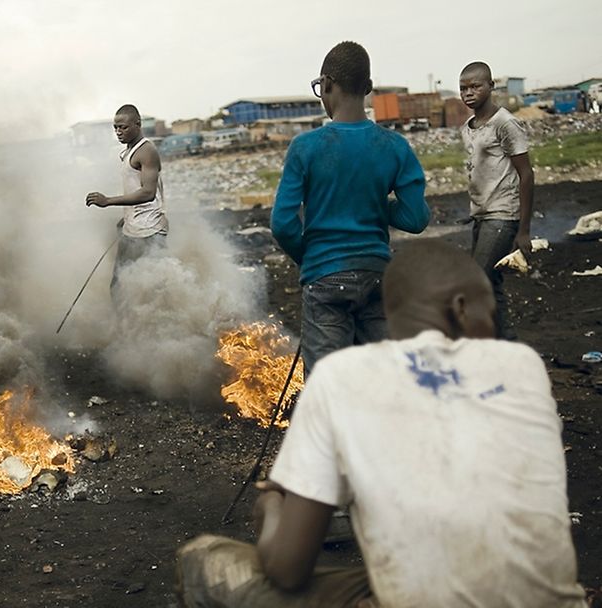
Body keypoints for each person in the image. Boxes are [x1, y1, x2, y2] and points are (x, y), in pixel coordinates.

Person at [176, 240, 587, 607]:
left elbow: (287, 570)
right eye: (491, 313)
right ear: (462, 308)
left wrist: (271, 510)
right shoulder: (523, 366)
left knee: (203, 559)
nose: (493, 326)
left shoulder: (340, 376)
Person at [270, 41, 430, 374]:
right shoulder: (395, 146)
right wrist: (375, 204)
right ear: (368, 88)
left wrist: (313, 259)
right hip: (377, 276)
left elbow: (283, 225)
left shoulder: (306, 147)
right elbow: (416, 219)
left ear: (326, 84)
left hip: (325, 281)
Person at [459, 61, 535, 340]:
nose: (468, 93)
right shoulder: (468, 127)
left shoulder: (505, 123)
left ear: (490, 87)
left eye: (475, 86)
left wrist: (524, 231)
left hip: (503, 216)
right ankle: (507, 349)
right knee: (492, 284)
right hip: (481, 216)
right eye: (463, 88)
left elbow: (526, 175)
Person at [85, 104, 169, 291]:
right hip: (133, 228)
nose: (118, 131)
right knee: (118, 285)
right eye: (115, 127)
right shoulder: (129, 151)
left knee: (154, 287)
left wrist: (107, 201)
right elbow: (135, 187)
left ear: (137, 124)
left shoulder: (146, 151)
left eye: (123, 127)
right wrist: (127, 216)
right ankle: (125, 320)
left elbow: (148, 193)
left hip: (150, 230)